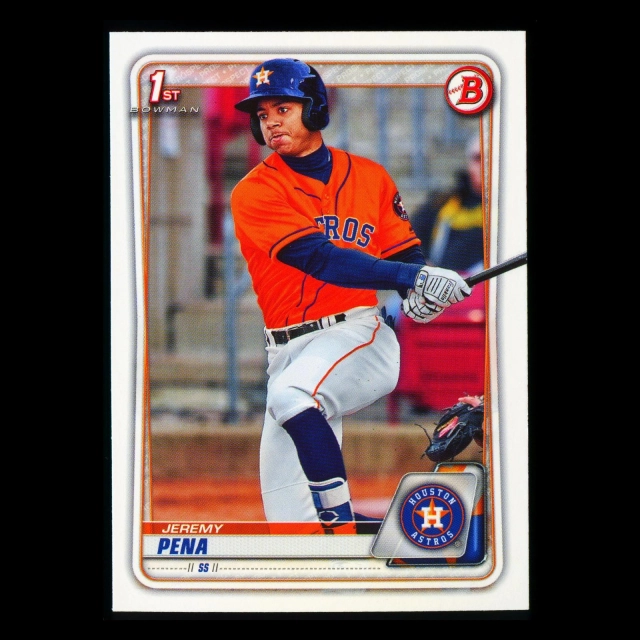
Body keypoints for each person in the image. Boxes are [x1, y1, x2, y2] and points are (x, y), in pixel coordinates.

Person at [230, 58, 472, 534]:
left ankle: (338, 526)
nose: (271, 121)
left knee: (292, 395)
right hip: (286, 351)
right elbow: (320, 258)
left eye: (283, 108)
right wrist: (413, 276)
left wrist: (419, 287)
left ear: (315, 108)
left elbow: (404, 252)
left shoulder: (369, 176)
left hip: (357, 334)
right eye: (262, 114)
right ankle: (412, 540)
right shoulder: (253, 192)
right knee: (292, 529)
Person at [411, 134, 484, 276]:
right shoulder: (441, 203)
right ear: (469, 164)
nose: (485, 165)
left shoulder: (514, 208)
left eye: (492, 158)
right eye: (478, 158)